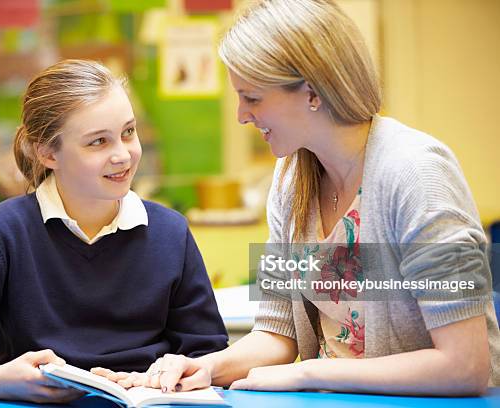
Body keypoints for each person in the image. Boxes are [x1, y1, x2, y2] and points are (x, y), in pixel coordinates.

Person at [92, 0, 500, 396]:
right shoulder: (292, 178)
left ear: (312, 92)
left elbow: (464, 365)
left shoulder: (417, 173)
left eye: (252, 97)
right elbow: (277, 330)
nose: (241, 115)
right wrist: (209, 367)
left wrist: (309, 373)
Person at [0, 60, 228, 403]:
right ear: (47, 152)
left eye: (128, 132)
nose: (123, 155)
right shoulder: (4, 232)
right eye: (98, 142)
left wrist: (176, 374)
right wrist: (1, 381)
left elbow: (209, 357)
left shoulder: (170, 232)